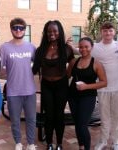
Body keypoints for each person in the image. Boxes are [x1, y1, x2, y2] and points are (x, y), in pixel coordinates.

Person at [32, 20, 75, 150]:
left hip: (61, 85)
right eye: (49, 31)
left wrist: (67, 75)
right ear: (46, 33)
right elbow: (34, 69)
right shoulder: (40, 49)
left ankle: (60, 144)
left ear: (59, 32)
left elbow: (73, 63)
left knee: (59, 115)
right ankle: (50, 143)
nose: (52, 33)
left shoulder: (66, 48)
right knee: (49, 115)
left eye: (55, 31)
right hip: (46, 86)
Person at [93, 22, 118, 150]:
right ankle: (103, 141)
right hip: (103, 88)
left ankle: (116, 142)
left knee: (117, 116)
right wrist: (68, 45)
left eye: (110, 30)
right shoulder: (95, 47)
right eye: (105, 31)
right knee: (104, 117)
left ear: (114, 32)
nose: (107, 33)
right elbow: (81, 49)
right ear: (101, 32)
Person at [0, 18, 37, 150]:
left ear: (25, 30)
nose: (18, 30)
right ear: (11, 29)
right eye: (15, 28)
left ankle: (31, 143)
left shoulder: (31, 47)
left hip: (30, 90)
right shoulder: (4, 48)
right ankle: (18, 143)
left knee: (31, 119)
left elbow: (39, 65)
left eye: (21, 28)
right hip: (13, 91)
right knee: (15, 120)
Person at [67, 37, 107, 150]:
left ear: (91, 47)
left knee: (82, 124)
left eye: (86, 47)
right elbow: (67, 75)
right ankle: (81, 146)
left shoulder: (97, 64)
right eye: (81, 47)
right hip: (73, 96)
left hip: (88, 97)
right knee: (77, 123)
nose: (83, 49)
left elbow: (104, 82)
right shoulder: (74, 62)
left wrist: (86, 86)